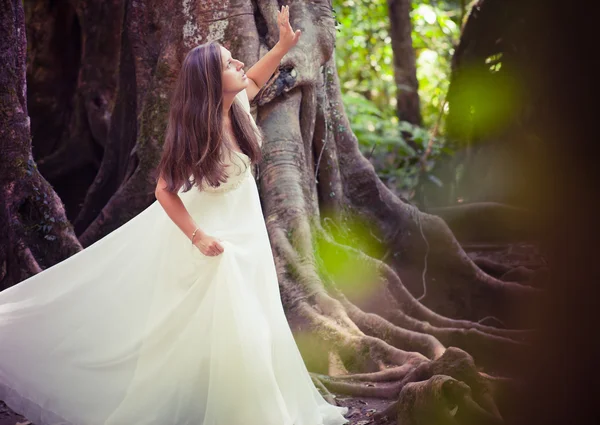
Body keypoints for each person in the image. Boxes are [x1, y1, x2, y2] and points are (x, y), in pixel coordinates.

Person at [0, 5, 349, 425]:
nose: (240, 63)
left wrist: (282, 45)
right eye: (228, 62)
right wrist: (197, 236)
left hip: (247, 235)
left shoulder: (236, 107)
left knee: (249, 324)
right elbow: (163, 190)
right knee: (232, 331)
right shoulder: (197, 130)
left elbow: (256, 77)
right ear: (209, 81)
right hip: (216, 244)